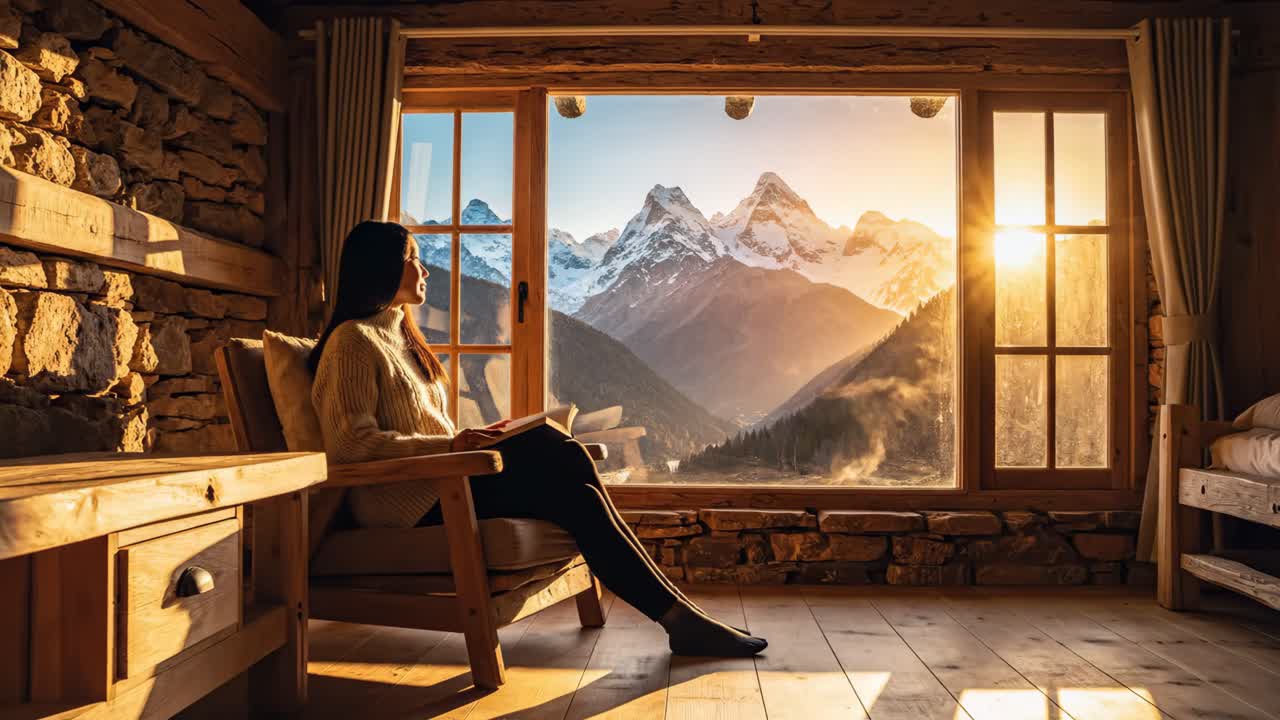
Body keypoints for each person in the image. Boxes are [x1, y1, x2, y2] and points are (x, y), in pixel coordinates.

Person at [309, 220, 767, 657]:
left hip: (442, 482)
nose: (424, 269)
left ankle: (680, 617)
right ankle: (681, 617)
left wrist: (463, 445)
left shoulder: (401, 339)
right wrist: (450, 447)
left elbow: (422, 431)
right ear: (382, 265)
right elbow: (350, 444)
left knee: (577, 488)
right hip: (406, 500)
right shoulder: (352, 341)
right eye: (413, 257)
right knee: (555, 450)